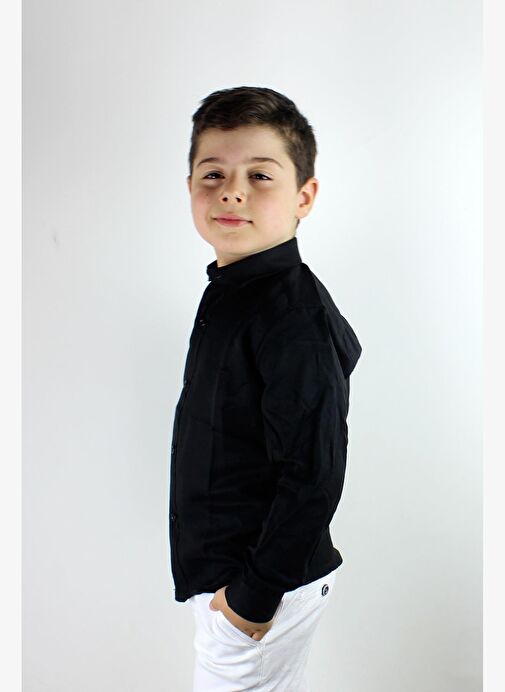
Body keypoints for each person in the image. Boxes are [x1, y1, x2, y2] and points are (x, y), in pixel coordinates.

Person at [168, 85, 362, 691]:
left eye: (259, 175)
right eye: (213, 174)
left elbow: (313, 473)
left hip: (259, 592)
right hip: (239, 583)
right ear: (190, 186)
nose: (232, 191)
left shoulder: (291, 316)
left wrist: (250, 600)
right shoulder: (233, 289)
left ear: (304, 196)